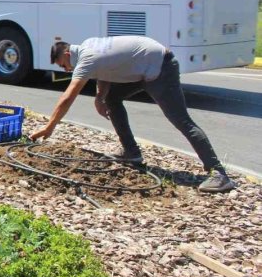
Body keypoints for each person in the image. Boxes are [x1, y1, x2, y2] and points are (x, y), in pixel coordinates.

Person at [30, 36, 235, 193]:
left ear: (66, 53)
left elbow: (68, 96)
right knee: (112, 99)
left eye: (63, 65)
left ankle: (218, 173)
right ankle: (132, 152)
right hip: (146, 65)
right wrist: (100, 97)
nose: (66, 69)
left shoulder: (86, 58)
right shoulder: (89, 45)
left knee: (181, 120)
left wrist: (49, 127)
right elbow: (105, 71)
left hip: (160, 67)